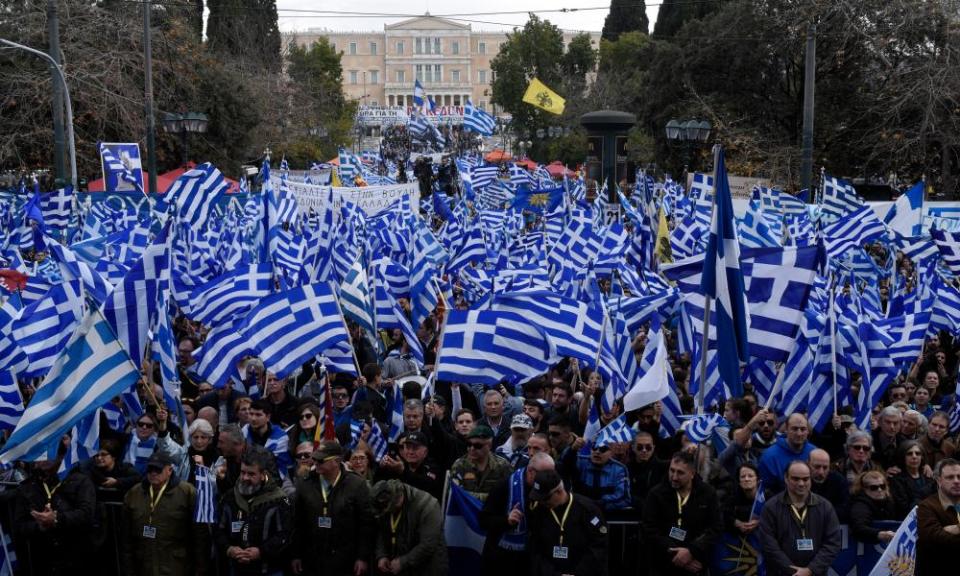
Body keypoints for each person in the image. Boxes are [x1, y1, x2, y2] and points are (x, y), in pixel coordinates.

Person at [292, 441, 374, 576]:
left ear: (337, 461)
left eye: (321, 460)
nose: (315, 462)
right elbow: (297, 523)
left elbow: (365, 525)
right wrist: (296, 554)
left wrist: (362, 557)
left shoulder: (357, 485)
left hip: (345, 559)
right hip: (313, 559)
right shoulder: (304, 484)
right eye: (315, 459)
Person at [120, 452, 209, 576]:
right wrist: (128, 569)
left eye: (158, 469)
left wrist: (201, 568)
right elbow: (126, 538)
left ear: (170, 470)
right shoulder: (134, 493)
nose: (153, 473)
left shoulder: (187, 493)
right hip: (143, 566)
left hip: (177, 566)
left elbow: (200, 535)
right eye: (150, 469)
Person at [13, 453, 98, 573]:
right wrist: (39, 526)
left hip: (76, 555)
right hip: (42, 559)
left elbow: (86, 514)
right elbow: (19, 525)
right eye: (41, 453)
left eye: (50, 453)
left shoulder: (81, 480)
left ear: (61, 456)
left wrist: (57, 519)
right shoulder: (27, 486)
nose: (44, 458)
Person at [216, 445, 293, 576]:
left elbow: (284, 535)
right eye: (243, 472)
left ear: (263, 475)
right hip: (236, 569)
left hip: (269, 569)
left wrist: (260, 552)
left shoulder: (279, 500)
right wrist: (229, 549)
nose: (245, 478)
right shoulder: (230, 497)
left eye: (251, 474)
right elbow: (218, 530)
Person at [642, 451, 722, 576]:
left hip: (696, 563)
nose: (674, 477)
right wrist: (676, 555)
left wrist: (691, 551)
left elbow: (715, 528)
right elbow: (649, 528)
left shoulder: (708, 494)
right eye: (672, 470)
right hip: (662, 564)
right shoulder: (656, 494)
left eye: (680, 473)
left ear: (692, 473)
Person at [758, 461, 841, 576]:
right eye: (796, 479)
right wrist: (793, 571)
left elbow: (833, 543)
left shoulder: (825, 507)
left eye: (806, 479)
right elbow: (769, 546)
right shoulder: (771, 508)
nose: (801, 483)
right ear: (786, 479)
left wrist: (810, 570)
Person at [479, 453, 556, 575]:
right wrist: (506, 521)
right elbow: (484, 520)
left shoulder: (551, 488)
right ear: (531, 472)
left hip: (531, 559)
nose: (550, 478)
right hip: (501, 560)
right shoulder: (503, 486)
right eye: (545, 474)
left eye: (552, 474)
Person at [526, 468, 608, 576]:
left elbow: (598, 547)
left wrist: (577, 573)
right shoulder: (539, 511)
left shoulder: (587, 510)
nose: (541, 502)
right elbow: (535, 549)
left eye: (545, 498)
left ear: (559, 491)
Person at [370, 479, 447, 576]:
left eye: (388, 509)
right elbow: (381, 531)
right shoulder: (385, 503)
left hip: (427, 568)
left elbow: (428, 544)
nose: (387, 512)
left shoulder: (427, 505)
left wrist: (403, 562)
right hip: (400, 566)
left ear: (399, 499)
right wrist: (381, 555)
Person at [916, 458, 960, 576]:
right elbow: (932, 537)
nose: (956, 481)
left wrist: (951, 529)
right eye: (950, 477)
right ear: (939, 481)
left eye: (959, 476)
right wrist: (957, 528)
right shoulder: (926, 506)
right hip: (938, 570)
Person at [450, 425, 512, 501]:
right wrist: (489, 497)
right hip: (466, 509)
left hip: (493, 510)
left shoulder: (502, 466)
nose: (472, 449)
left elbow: (507, 494)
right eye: (469, 444)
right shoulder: (460, 465)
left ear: (489, 446)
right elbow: (456, 493)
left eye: (477, 446)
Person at [758, 413, 817, 493]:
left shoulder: (815, 453)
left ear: (807, 431)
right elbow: (765, 493)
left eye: (803, 429)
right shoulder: (769, 457)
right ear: (786, 429)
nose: (799, 433)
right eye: (795, 429)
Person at [574, 438, 632, 511]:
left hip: (606, 513)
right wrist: (572, 450)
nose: (597, 452)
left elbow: (625, 499)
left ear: (611, 452)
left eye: (603, 449)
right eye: (594, 448)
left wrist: (602, 503)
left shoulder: (619, 469)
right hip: (581, 510)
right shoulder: (581, 462)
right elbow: (563, 464)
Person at [849, 470, 900, 545]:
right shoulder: (860, 505)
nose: (879, 490)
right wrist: (879, 534)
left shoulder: (889, 501)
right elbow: (858, 528)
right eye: (873, 487)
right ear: (864, 489)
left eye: (882, 486)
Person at [889, 439, 936, 517]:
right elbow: (904, 508)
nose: (914, 456)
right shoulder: (896, 480)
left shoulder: (929, 477)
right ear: (903, 457)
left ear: (922, 457)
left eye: (917, 453)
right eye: (909, 454)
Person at [722, 463, 767, 541]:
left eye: (750, 476)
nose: (746, 479)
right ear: (739, 481)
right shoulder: (732, 498)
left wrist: (759, 522)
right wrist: (736, 523)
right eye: (743, 477)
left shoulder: (768, 497)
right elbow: (724, 516)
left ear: (758, 480)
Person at [628, 431, 667, 513]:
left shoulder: (664, 467)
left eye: (648, 447)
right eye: (640, 447)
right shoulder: (627, 468)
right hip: (634, 513)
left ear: (653, 448)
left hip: (658, 512)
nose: (644, 450)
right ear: (633, 448)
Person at [808, 449, 850, 523]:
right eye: (817, 467)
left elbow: (844, 510)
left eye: (825, 468)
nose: (821, 472)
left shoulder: (839, 480)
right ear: (808, 464)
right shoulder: (800, 479)